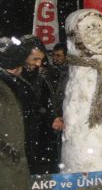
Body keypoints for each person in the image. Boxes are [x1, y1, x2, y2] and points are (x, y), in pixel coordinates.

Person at [20, 35, 64, 174]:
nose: (38, 64)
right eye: (35, 59)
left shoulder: (42, 78)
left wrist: (52, 118)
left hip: (40, 139)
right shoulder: (13, 78)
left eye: (41, 59)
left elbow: (45, 103)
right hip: (20, 139)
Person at [0, 41, 31, 189]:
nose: (22, 70)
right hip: (6, 166)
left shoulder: (13, 85)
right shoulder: (4, 88)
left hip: (13, 164)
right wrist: (8, 151)